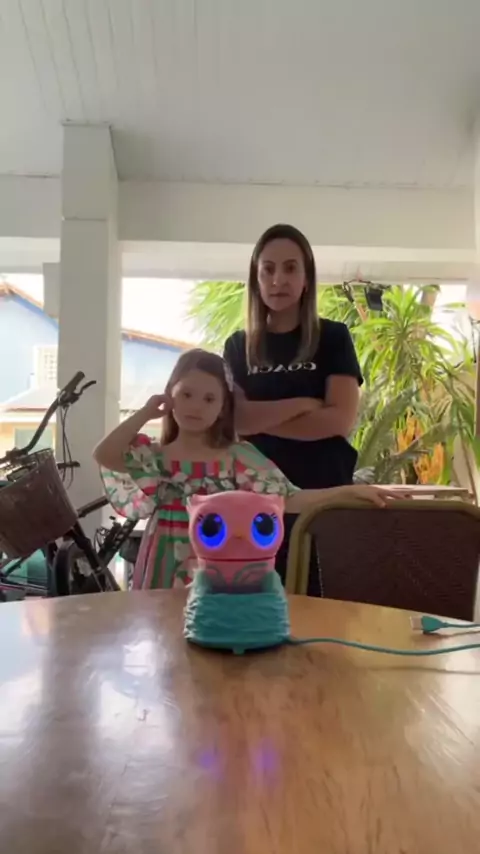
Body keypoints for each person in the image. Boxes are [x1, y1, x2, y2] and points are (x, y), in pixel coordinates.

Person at [93, 349, 400, 591]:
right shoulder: (153, 457)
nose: (196, 406)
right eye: (186, 394)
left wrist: (349, 492)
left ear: (222, 408)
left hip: (217, 562)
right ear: (170, 396)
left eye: (209, 398)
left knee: (212, 637)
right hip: (160, 562)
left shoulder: (237, 458)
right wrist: (146, 412)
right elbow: (104, 454)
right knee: (162, 639)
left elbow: (289, 498)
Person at [223, 223, 364, 594]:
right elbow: (238, 421)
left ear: (306, 278)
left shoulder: (333, 337)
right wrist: (304, 404)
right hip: (256, 500)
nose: (278, 280)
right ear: (256, 279)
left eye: (290, 268)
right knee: (257, 608)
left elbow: (339, 421)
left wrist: (260, 419)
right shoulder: (238, 346)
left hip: (325, 497)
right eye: (268, 269)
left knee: (324, 609)